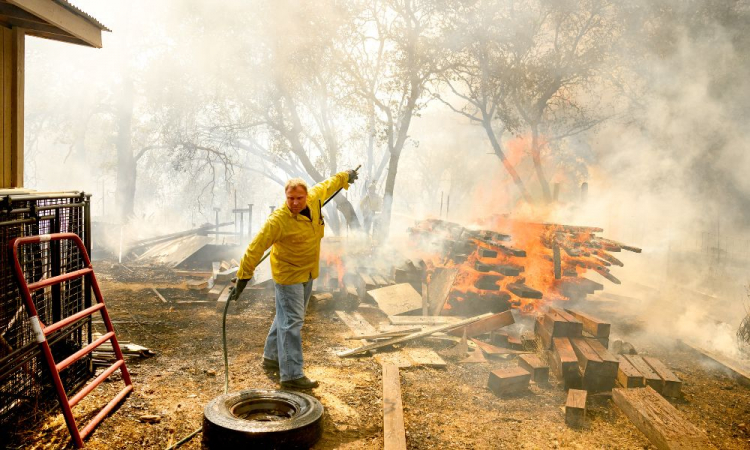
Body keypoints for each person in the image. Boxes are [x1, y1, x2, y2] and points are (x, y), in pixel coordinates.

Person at [228, 169, 358, 390]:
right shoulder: (278, 221)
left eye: (299, 198)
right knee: (293, 322)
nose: (295, 203)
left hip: (308, 271)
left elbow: (331, 183)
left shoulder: (316, 198)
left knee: (286, 316)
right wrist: (243, 277)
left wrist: (347, 176)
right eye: (290, 198)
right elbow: (255, 248)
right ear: (285, 197)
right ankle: (291, 374)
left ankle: (272, 357)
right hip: (288, 275)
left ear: (307, 196)